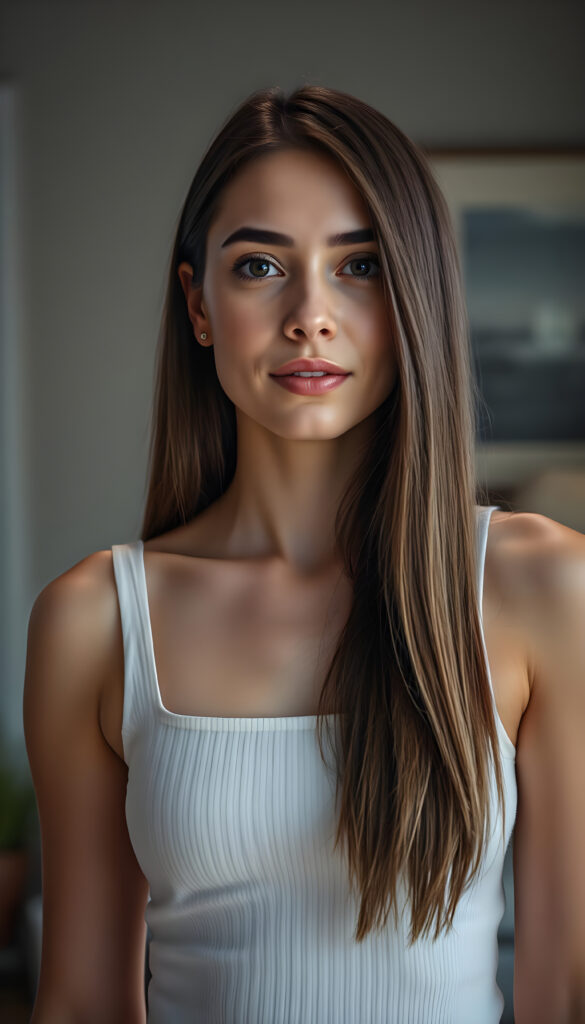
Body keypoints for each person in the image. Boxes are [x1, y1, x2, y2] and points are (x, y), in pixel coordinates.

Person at [23, 84, 585, 1024]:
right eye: (258, 267)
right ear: (197, 304)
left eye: (359, 265)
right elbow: (81, 1000)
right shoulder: (95, 620)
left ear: (415, 295)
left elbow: (563, 993)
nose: (309, 316)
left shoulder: (542, 587)